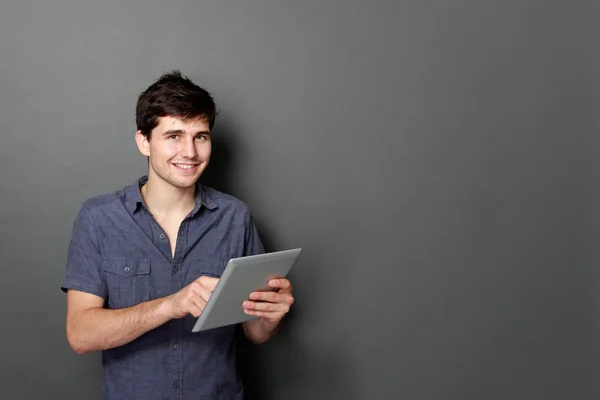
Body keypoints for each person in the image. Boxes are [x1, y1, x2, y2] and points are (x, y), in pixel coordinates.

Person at [61, 70, 294, 400]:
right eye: (174, 136)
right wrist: (171, 305)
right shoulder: (98, 218)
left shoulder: (235, 217)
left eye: (200, 136)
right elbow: (80, 334)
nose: (190, 152)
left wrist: (270, 317)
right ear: (144, 141)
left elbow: (254, 332)